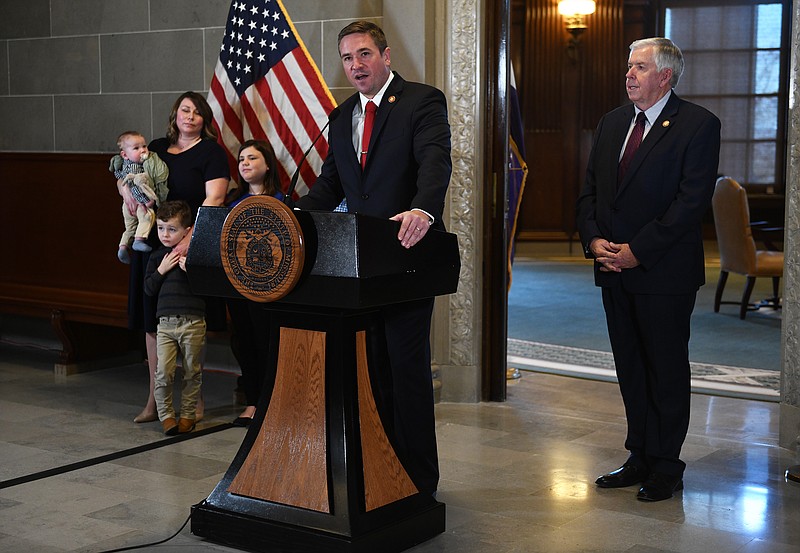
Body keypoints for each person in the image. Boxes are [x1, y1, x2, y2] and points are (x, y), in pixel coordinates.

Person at [295, 21, 452, 495]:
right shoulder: (341, 115)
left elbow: (434, 162)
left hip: (405, 256)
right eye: (347, 58)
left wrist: (424, 209)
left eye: (364, 54)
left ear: (385, 57)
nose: (356, 65)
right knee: (371, 370)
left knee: (406, 372)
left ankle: (419, 482)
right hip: (357, 266)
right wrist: (289, 216)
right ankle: (383, 473)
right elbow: (331, 186)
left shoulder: (422, 101)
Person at [575, 37, 721, 502]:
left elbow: (690, 201)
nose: (629, 75)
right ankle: (638, 453)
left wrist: (638, 250)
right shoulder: (612, 122)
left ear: (665, 76)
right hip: (613, 267)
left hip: (663, 271)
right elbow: (591, 191)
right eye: (628, 66)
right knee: (631, 367)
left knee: (665, 369)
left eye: (639, 67)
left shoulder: (698, 125)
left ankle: (666, 464)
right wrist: (593, 238)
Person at [119, 91, 229, 424]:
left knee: (191, 322)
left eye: (197, 112)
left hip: (191, 244)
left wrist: (188, 241)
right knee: (152, 321)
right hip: (151, 244)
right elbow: (127, 175)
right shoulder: (152, 147)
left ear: (205, 119)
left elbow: (216, 197)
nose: (190, 116)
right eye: (185, 109)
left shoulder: (212, 152)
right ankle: (155, 400)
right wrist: (126, 197)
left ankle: (194, 400)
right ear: (175, 114)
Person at [227, 140, 283, 426]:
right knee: (244, 340)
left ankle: (270, 400)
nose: (245, 163)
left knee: (267, 341)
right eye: (241, 159)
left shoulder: (283, 202)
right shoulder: (231, 203)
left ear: (268, 164)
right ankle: (252, 401)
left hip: (271, 286)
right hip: (237, 285)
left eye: (252, 158)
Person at [143, 200, 205, 435]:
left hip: (193, 321)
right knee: (164, 372)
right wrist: (162, 269)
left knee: (192, 371)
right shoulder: (157, 257)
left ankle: (188, 414)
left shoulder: (195, 256)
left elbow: (208, 289)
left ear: (187, 231)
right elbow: (148, 289)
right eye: (160, 228)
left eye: (172, 229)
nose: (165, 235)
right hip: (166, 324)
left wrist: (193, 271)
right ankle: (166, 415)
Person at [110, 131, 169, 263]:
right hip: (138, 203)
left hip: (127, 205)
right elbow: (136, 187)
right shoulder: (136, 168)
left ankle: (123, 246)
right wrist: (146, 201)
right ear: (124, 155)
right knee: (148, 217)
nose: (143, 150)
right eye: (136, 148)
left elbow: (119, 178)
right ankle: (139, 239)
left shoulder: (123, 166)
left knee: (130, 226)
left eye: (144, 146)